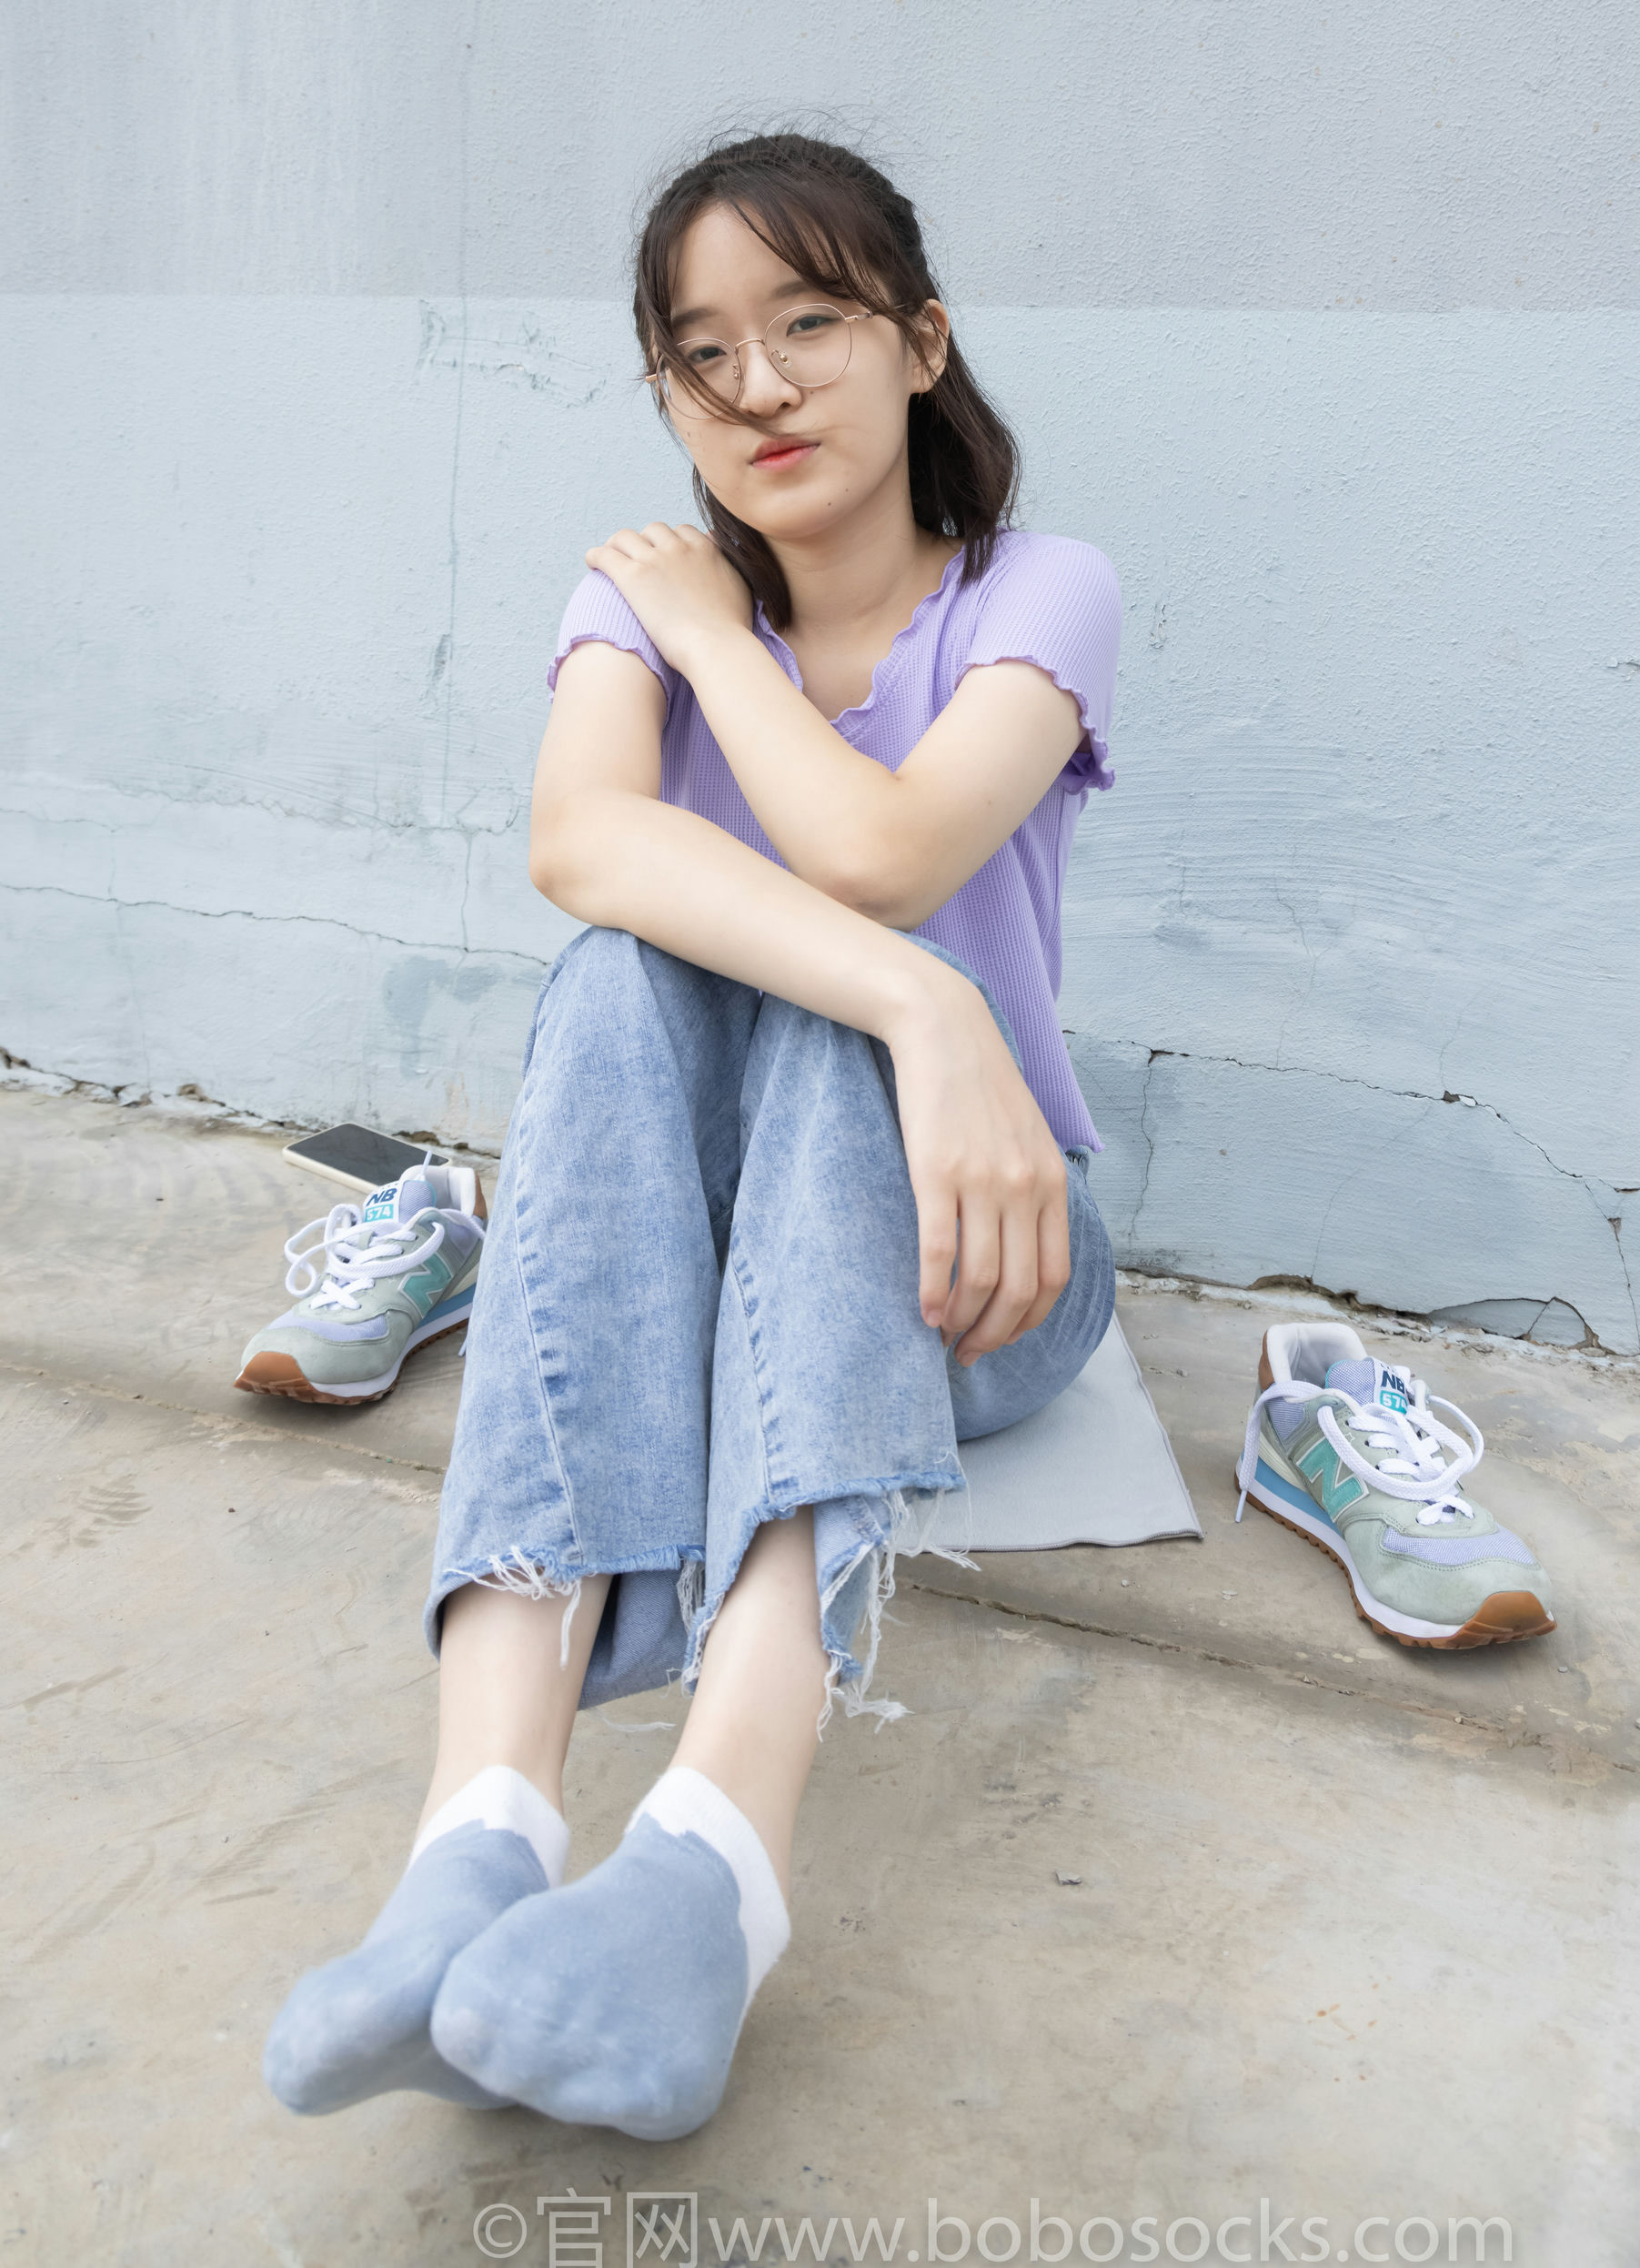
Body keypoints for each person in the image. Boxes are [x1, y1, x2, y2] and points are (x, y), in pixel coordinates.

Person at [263, 131, 1122, 2142]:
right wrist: (914, 994)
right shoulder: (624, 594)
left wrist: (732, 659)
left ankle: (716, 1862)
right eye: (701, 352)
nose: (757, 387)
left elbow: (883, 856)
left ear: (921, 341)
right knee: (617, 977)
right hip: (694, 1267)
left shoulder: (1033, 592)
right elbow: (581, 841)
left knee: (828, 1016)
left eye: (809, 321)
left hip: (978, 1257)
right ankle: (475, 1836)